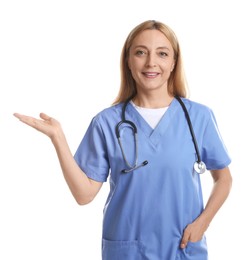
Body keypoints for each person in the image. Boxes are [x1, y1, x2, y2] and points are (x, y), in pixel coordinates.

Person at [14, 20, 232, 260]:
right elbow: (84, 195)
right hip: (127, 252)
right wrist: (58, 139)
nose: (151, 62)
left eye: (162, 53)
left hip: (182, 248)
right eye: (140, 52)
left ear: (173, 62)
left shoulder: (199, 117)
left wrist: (203, 222)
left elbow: (223, 178)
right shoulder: (106, 123)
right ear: (128, 61)